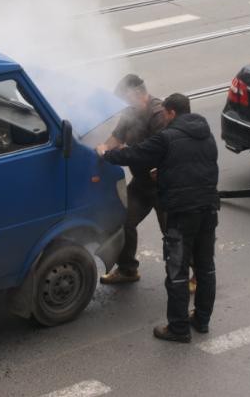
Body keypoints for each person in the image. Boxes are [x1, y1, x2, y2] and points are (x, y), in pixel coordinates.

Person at [97, 94, 219, 343]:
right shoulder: (205, 133)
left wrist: (106, 154)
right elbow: (199, 167)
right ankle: (202, 320)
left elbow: (136, 155)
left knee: (176, 270)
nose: (164, 116)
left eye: (166, 113)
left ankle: (178, 328)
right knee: (206, 269)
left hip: (181, 212)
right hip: (207, 209)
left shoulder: (167, 137)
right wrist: (164, 174)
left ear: (172, 113)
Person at [99, 74, 167, 285]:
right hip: (141, 183)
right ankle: (128, 269)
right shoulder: (130, 112)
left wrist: (125, 152)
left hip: (163, 185)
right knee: (123, 221)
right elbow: (117, 137)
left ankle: (195, 275)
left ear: (137, 94)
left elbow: (156, 150)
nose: (124, 105)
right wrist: (102, 149)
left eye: (125, 99)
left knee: (173, 232)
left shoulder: (158, 114)